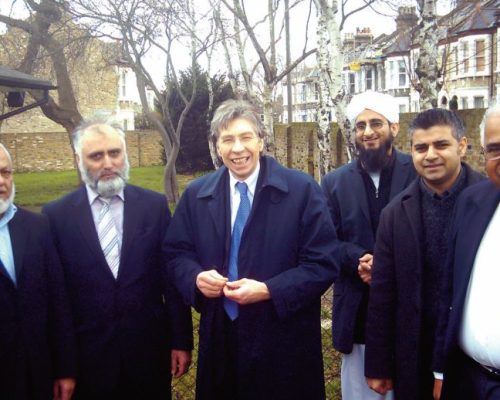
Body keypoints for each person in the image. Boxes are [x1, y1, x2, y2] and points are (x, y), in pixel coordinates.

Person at [164, 99, 339, 400]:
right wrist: (194, 278)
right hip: (220, 336)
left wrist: (270, 289)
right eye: (227, 139)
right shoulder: (196, 196)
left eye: (245, 137)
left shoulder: (301, 191)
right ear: (217, 146)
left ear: (260, 141)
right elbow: (176, 254)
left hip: (283, 339)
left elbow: (323, 263)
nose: (237, 148)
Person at [42, 119, 193, 400]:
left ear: (125, 154)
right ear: (78, 160)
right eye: (96, 156)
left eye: (115, 152)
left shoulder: (154, 206)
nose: (108, 162)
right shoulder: (56, 217)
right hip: (88, 361)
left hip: (147, 353)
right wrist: (63, 365)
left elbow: (170, 280)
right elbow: (57, 298)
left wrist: (181, 341)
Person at [364, 108, 485, 400]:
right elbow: (383, 292)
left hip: (474, 360)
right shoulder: (395, 213)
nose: (430, 154)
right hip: (415, 354)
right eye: (421, 147)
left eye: (441, 145)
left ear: (463, 145)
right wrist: (378, 364)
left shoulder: (489, 201)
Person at [321, 90, 416, 399]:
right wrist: (358, 259)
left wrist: (388, 267)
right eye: (360, 125)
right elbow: (325, 241)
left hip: (409, 307)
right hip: (357, 308)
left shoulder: (418, 173)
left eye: (376, 123)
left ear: (394, 127)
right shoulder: (334, 182)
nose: (368, 132)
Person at [433, 103, 500, 400]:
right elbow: (449, 291)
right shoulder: (472, 202)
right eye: (495, 148)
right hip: (468, 381)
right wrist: (440, 371)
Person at [0, 143, 76, 400]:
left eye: (6, 172)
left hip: (38, 374)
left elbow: (58, 301)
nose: (2, 181)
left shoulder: (37, 226)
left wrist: (65, 369)